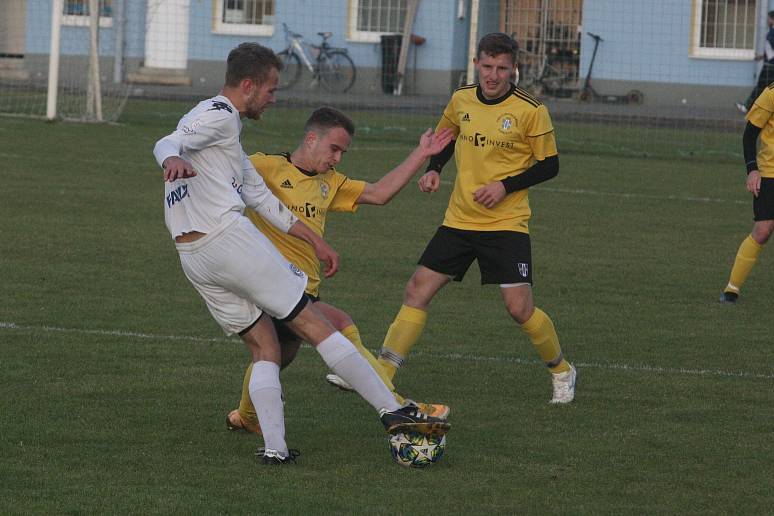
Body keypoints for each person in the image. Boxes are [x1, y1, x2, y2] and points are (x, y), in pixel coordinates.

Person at [153, 42, 449, 465]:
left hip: (194, 256)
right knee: (317, 324)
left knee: (265, 346)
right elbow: (168, 142)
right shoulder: (219, 114)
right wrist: (170, 160)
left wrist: (316, 240)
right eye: (271, 89)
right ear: (250, 85)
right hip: (226, 239)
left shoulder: (229, 141)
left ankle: (275, 449)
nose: (274, 98)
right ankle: (395, 414)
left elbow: (262, 199)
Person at [373, 32, 577, 404]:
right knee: (417, 289)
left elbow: (551, 165)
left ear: (514, 68)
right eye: (487, 66)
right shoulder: (461, 98)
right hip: (459, 220)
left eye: (502, 68)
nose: (493, 75)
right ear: (476, 64)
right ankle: (382, 373)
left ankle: (562, 370)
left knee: (519, 309)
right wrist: (434, 168)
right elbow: (446, 136)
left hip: (506, 224)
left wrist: (505, 185)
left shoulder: (531, 109)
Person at [225, 106, 454, 435]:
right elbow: (223, 173)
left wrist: (422, 153)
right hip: (273, 285)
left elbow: (379, 193)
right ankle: (398, 404)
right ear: (311, 139)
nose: (337, 158)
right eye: (334, 149)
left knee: (275, 356)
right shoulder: (266, 167)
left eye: (342, 152)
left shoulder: (329, 183)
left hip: (305, 287)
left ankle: (246, 416)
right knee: (341, 324)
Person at [720, 40, 774, 306]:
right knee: (763, 231)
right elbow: (749, 134)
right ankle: (732, 289)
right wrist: (752, 170)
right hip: (773, 173)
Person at [737, 10, 774, 113]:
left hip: (771, 66)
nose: (767, 21)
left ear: (773, 19)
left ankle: (747, 107)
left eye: (768, 18)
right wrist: (761, 57)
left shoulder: (773, 31)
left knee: (760, 87)